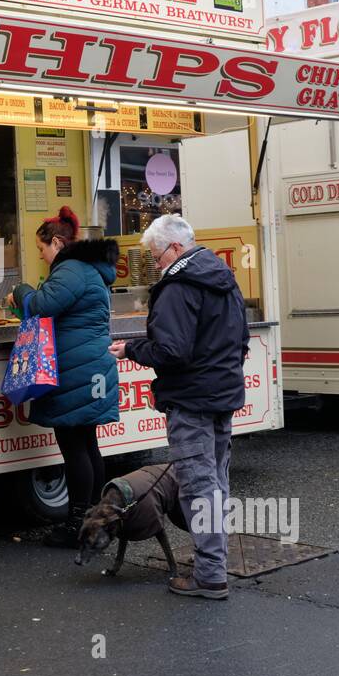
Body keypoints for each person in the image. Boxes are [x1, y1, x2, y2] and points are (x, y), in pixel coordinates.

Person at [110, 214, 247, 600]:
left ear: (173, 248)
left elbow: (171, 350)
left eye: (155, 256)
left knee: (197, 486)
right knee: (216, 481)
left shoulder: (177, 286)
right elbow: (240, 338)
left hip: (191, 399)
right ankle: (213, 564)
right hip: (223, 394)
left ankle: (209, 574)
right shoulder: (221, 275)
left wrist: (131, 349)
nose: (155, 265)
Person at [5, 206, 119, 548]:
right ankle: (97, 520)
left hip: (77, 368)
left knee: (75, 448)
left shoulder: (70, 268)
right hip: (89, 365)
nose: (42, 257)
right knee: (87, 445)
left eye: (42, 250)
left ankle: (77, 526)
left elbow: (43, 304)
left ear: (57, 242)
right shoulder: (87, 269)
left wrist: (21, 292)